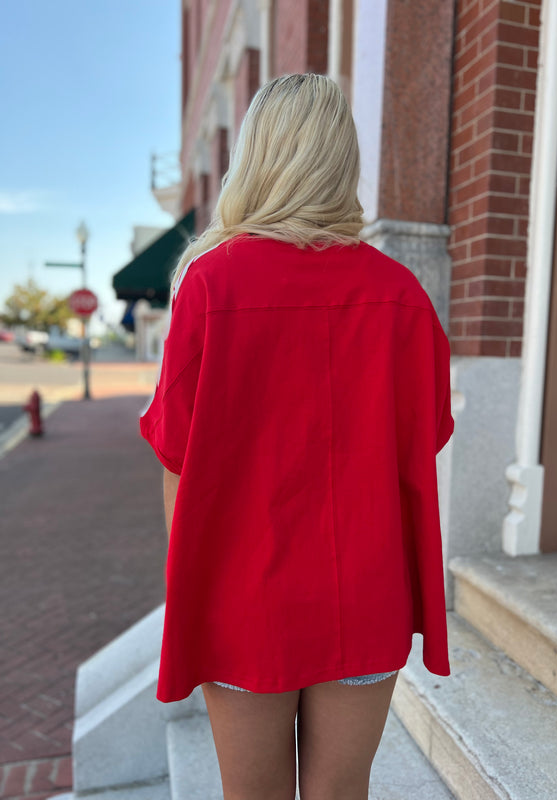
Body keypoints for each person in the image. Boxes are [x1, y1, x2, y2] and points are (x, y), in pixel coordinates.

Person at [140, 72, 454, 800]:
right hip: (365, 589)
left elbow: (176, 460)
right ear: (342, 162)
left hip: (240, 592)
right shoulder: (402, 295)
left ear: (257, 156)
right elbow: (426, 435)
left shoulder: (211, 285)